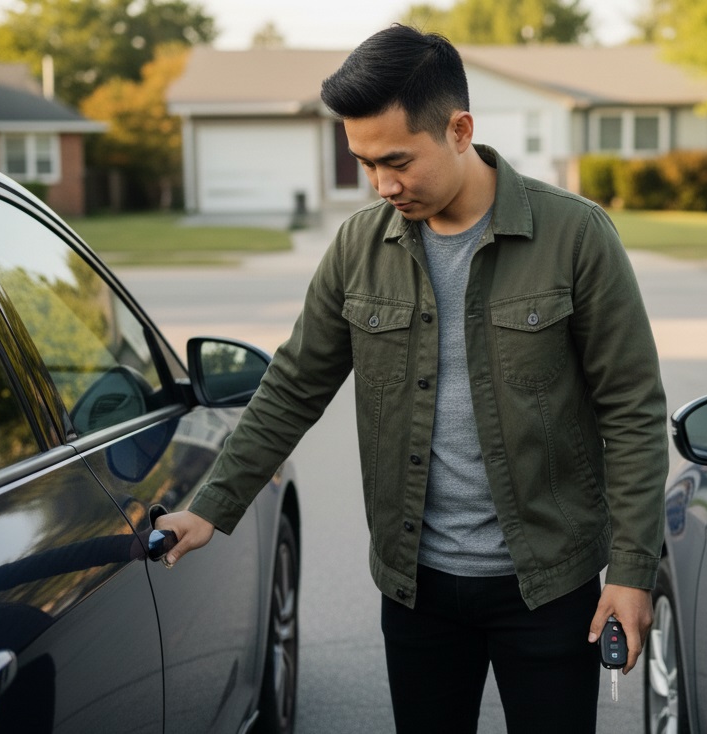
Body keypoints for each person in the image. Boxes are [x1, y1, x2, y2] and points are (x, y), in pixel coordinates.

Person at [156, 24, 668, 734]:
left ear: (459, 130)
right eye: (364, 164)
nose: (381, 184)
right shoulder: (357, 247)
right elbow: (293, 386)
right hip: (416, 590)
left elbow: (631, 409)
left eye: (397, 160)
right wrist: (210, 506)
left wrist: (632, 570)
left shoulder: (575, 235)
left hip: (550, 586)